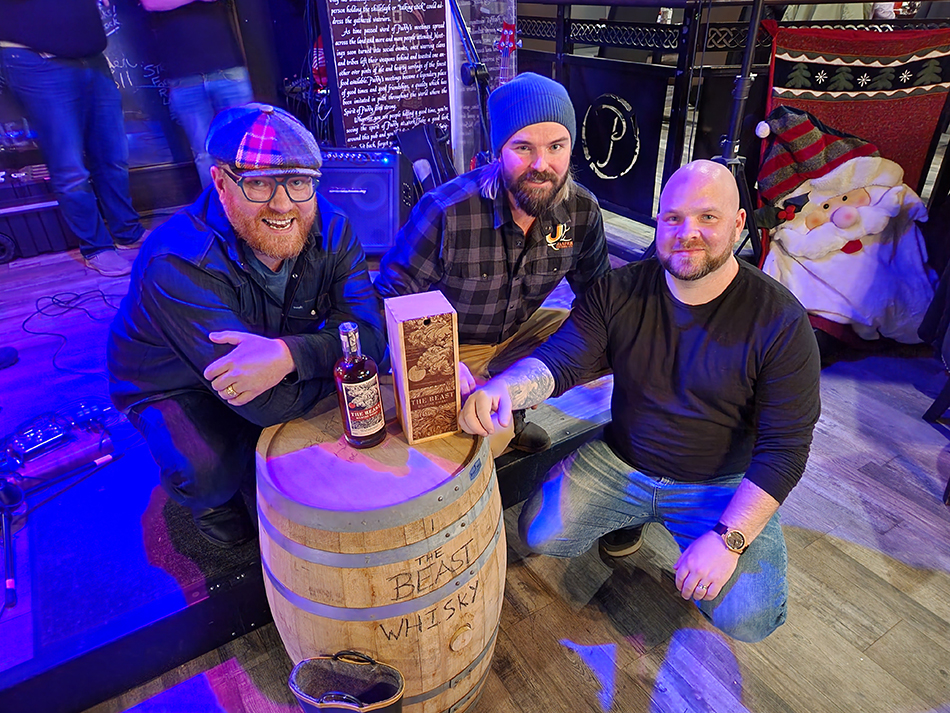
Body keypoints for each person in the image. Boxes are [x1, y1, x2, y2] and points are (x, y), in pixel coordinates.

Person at [459, 160, 821, 642]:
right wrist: (503, 388)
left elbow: (786, 448)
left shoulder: (780, 321)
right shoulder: (621, 289)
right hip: (622, 461)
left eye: (707, 217)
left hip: (719, 482)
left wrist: (728, 540)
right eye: (673, 218)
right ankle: (631, 514)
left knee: (749, 618)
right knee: (540, 532)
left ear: (738, 224)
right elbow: (562, 359)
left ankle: (676, 526)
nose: (687, 232)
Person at [107, 103, 385, 547]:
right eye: (258, 183)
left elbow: (374, 338)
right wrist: (331, 353)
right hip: (172, 381)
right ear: (220, 181)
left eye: (298, 182)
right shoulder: (177, 260)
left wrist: (287, 355)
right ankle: (209, 498)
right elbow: (268, 404)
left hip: (274, 356)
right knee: (209, 474)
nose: (282, 204)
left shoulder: (334, 229)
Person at [374, 72, 610, 455]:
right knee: (481, 444)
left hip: (517, 335)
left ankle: (511, 407)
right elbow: (389, 298)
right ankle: (497, 421)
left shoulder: (582, 211)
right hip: (453, 346)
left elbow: (599, 298)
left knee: (599, 336)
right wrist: (441, 364)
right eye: (523, 148)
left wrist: (540, 374)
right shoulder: (445, 211)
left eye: (556, 146)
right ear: (497, 151)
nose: (541, 164)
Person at [0, 0, 146, 277]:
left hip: (91, 57)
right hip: (36, 59)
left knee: (112, 157)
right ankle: (96, 248)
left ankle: (126, 232)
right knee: (70, 168)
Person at [141, 0, 255, 188]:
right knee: (205, 156)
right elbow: (151, 3)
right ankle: (219, 213)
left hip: (227, 70)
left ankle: (255, 208)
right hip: (183, 78)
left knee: (246, 148)